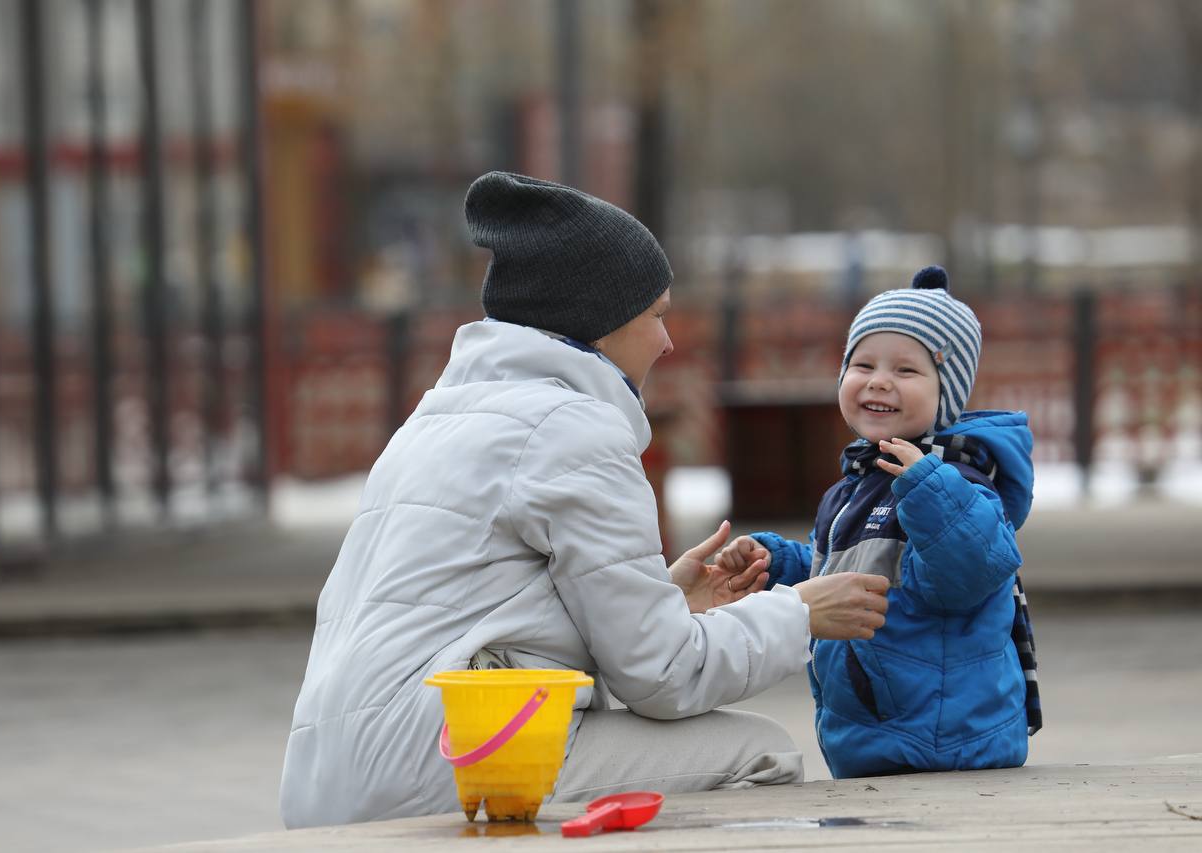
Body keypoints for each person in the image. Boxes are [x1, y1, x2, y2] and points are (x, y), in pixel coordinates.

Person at [279, 171, 890, 827]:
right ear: (601, 320)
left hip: (331, 773)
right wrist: (797, 612)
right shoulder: (574, 429)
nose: (667, 339)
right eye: (656, 314)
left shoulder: (438, 417)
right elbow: (662, 677)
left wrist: (663, 596)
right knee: (759, 749)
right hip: (438, 765)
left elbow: (478, 608)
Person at [718, 266, 1042, 779]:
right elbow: (856, 577)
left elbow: (971, 574)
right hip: (878, 731)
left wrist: (928, 486)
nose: (879, 381)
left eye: (907, 371)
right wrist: (779, 563)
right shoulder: (857, 485)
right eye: (862, 364)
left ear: (947, 392)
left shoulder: (961, 481)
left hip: (942, 742)